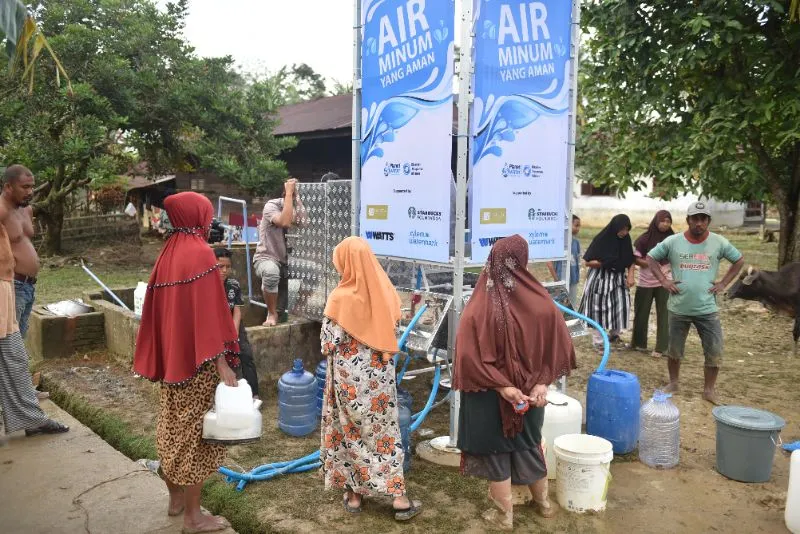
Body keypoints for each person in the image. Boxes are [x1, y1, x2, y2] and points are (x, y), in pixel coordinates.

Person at [453, 235, 577, 531]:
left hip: (488, 395)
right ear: (523, 260)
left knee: (497, 454)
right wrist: (542, 383)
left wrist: (502, 387)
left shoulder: (480, 305)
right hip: (531, 396)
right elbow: (560, 347)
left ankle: (504, 516)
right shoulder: (541, 302)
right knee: (529, 445)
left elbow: (467, 357)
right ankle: (544, 504)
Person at [134, 192, 240, 533]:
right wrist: (222, 363)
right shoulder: (201, 254)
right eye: (205, 214)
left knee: (172, 429)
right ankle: (194, 517)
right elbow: (209, 314)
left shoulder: (168, 252)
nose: (208, 220)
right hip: (197, 364)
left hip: (173, 362)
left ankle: (176, 499)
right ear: (197, 216)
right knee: (195, 437)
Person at [320, 236, 422, 521]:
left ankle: (354, 497)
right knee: (383, 434)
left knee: (349, 433)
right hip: (379, 382)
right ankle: (399, 499)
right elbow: (393, 328)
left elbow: (328, 342)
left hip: (348, 383)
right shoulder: (385, 292)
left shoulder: (340, 297)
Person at [647, 201, 744, 405]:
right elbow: (650, 258)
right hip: (679, 307)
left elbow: (739, 260)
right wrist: (663, 280)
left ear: (708, 221)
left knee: (714, 350)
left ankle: (709, 390)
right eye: (695, 219)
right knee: (674, 350)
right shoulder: (673, 241)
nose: (699, 223)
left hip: (707, 308)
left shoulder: (719, 242)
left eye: (703, 219)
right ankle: (674, 383)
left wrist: (723, 283)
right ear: (688, 220)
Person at [0, 217, 69, 440]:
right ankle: (32, 419)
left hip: (5, 287)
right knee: (14, 357)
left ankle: (31, 419)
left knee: (14, 357)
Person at [0, 165, 48, 400]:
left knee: (20, 340)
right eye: (25, 187)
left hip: (29, 286)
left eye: (32, 186)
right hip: (12, 286)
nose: (30, 191)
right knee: (10, 343)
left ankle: (23, 392)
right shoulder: (1, 210)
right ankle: (18, 396)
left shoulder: (26, 210)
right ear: (8, 187)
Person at [253, 178, 305, 326]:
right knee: (271, 272)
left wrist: (297, 198)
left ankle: (298, 309)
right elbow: (284, 222)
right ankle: (271, 313)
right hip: (266, 257)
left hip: (287, 261)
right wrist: (288, 194)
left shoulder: (295, 206)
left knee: (314, 270)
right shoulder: (271, 206)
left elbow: (303, 222)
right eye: (292, 191)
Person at [579, 214, 636, 350]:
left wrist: (630, 275)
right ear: (615, 227)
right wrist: (605, 263)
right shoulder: (601, 240)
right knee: (598, 308)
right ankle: (598, 341)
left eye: (627, 229)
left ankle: (614, 335)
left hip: (618, 278)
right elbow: (588, 262)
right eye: (622, 229)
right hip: (600, 278)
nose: (624, 232)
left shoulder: (625, 240)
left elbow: (630, 259)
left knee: (620, 305)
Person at [214, 247, 260, 400]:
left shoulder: (234, 285)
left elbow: (237, 311)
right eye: (220, 266)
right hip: (214, 327)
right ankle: (222, 396)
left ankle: (254, 395)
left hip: (234, 324)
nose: (224, 270)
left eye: (228, 267)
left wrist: (233, 334)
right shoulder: (206, 286)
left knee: (246, 354)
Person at [628, 210, 674, 358]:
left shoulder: (673, 239)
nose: (665, 224)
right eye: (663, 221)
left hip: (665, 282)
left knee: (665, 314)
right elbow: (635, 259)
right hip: (646, 281)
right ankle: (638, 343)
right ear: (656, 221)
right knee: (641, 313)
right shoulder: (644, 239)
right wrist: (650, 263)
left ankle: (662, 347)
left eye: (668, 221)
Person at [547, 215, 582, 306]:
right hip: (561, 280)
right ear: (568, 224)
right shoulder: (558, 242)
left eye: (579, 226)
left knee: (572, 305)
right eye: (576, 225)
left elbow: (578, 261)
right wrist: (557, 280)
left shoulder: (576, 242)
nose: (578, 229)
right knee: (560, 305)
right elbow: (549, 263)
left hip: (573, 280)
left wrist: (577, 277)